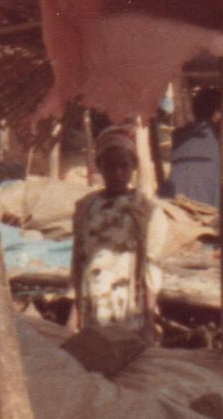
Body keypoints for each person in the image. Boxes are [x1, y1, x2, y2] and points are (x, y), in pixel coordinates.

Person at [69, 126, 167, 341]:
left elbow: (152, 266)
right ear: (99, 167)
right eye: (110, 166)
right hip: (92, 305)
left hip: (129, 309)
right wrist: (74, 313)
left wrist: (149, 322)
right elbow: (79, 260)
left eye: (124, 165)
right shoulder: (85, 207)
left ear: (134, 166)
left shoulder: (147, 211)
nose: (118, 173)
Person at [160, 86, 223, 208]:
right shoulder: (220, 138)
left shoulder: (179, 135)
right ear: (217, 114)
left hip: (172, 204)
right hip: (205, 208)